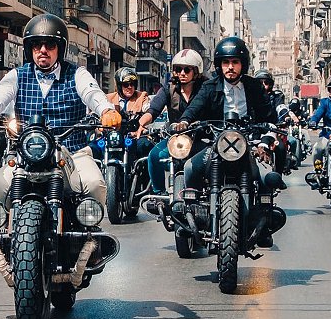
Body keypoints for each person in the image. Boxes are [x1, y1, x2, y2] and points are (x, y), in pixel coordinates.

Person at [0, 13, 122, 206]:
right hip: (26, 153)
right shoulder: (17, 76)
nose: (43, 50)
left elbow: (92, 93)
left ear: (59, 49)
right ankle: (4, 232)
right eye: (37, 45)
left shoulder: (77, 74)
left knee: (94, 184)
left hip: (73, 153)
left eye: (49, 45)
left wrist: (106, 110)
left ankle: (89, 233)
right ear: (30, 49)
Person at [174, 36, 279, 192]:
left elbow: (269, 118)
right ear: (219, 65)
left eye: (235, 62)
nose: (230, 67)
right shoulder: (209, 86)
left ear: (242, 64)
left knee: (267, 177)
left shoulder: (254, 86)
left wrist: (263, 142)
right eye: (226, 62)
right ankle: (192, 208)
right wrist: (184, 121)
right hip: (216, 142)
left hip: (249, 142)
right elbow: (194, 107)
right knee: (190, 168)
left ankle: (264, 213)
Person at [137, 48, 204, 204]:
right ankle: (158, 194)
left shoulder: (205, 89)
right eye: (178, 69)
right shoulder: (169, 89)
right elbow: (153, 110)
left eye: (187, 69)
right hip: (175, 140)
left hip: (201, 138)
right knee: (154, 156)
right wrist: (141, 123)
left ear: (196, 71)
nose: (182, 73)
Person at [93, 67, 153, 160]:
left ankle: (143, 173)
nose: (130, 87)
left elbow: (148, 108)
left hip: (133, 137)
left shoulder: (142, 97)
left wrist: (145, 119)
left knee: (144, 146)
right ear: (119, 86)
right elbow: (97, 111)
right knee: (94, 147)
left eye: (132, 84)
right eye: (126, 84)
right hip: (111, 136)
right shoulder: (108, 98)